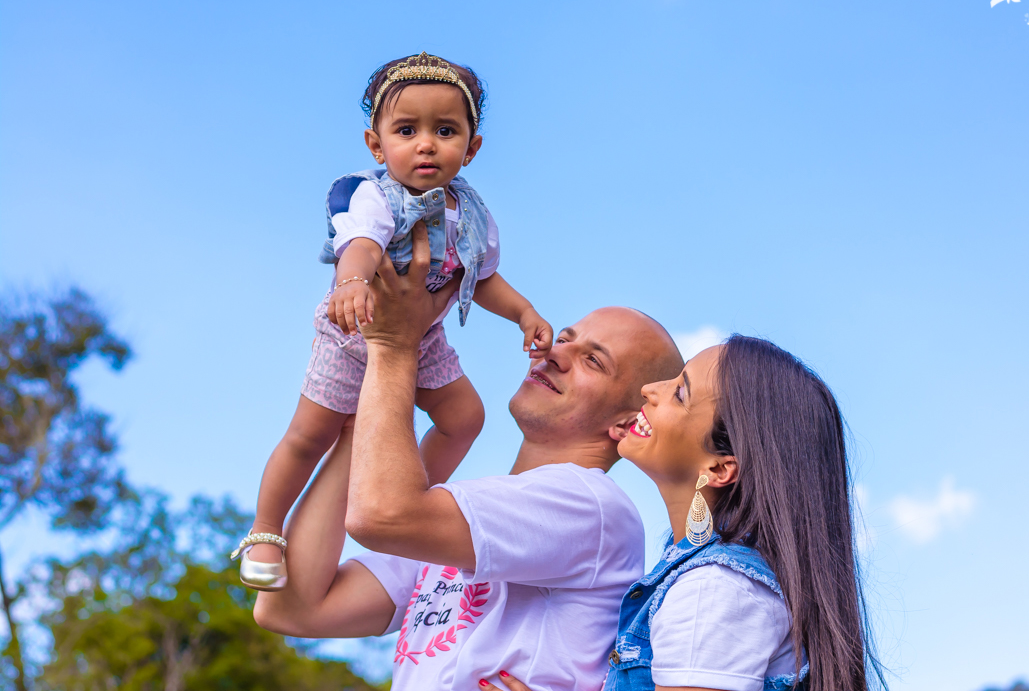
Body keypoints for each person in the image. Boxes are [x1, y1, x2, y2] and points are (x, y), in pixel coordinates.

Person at [253, 222, 687, 691]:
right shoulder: (465, 522)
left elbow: (381, 515)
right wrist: (358, 417)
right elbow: (290, 607)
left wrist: (395, 345)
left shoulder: (593, 507)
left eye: (593, 361)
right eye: (565, 338)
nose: (557, 354)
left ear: (625, 424)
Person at [233, 52, 553, 592]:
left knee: (465, 417)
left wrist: (523, 313)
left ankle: (400, 496)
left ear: (471, 149)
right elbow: (358, 247)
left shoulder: (474, 215)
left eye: (445, 130)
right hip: (353, 335)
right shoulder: (374, 197)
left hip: (423, 338)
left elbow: (481, 277)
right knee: (311, 435)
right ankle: (266, 530)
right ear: (376, 145)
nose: (426, 143)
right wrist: (352, 281)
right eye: (407, 130)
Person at [482, 335, 884, 691]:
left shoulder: (713, 589)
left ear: (720, 467)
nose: (649, 390)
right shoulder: (711, 581)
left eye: (679, 393)